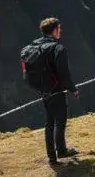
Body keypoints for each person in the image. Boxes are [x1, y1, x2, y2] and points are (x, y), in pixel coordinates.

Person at [31, 17, 79, 165]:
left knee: (49, 122)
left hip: (43, 89)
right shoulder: (57, 48)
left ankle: (52, 156)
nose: (61, 31)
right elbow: (64, 72)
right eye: (59, 28)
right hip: (56, 89)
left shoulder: (36, 47)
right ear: (54, 30)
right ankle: (62, 150)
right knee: (60, 120)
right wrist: (73, 89)